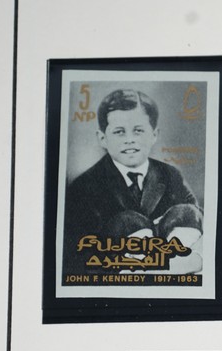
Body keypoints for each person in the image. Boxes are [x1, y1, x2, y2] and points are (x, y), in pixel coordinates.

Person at [62, 88, 203, 275]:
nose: (130, 140)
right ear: (103, 138)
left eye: (138, 131)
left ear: (154, 135)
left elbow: (197, 223)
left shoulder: (170, 175)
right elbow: (76, 256)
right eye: (119, 132)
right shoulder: (83, 188)